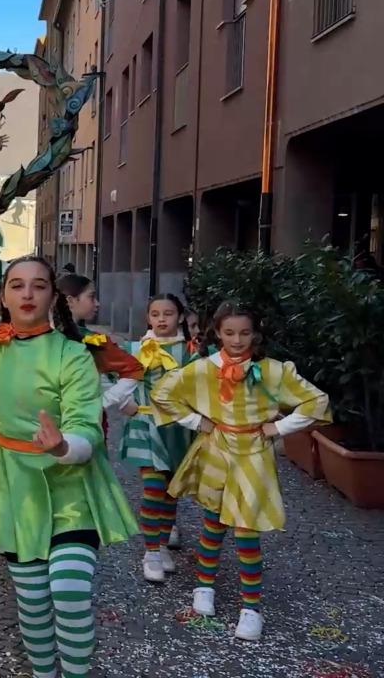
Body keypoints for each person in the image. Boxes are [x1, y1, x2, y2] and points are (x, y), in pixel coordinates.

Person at [0, 256, 138, 678]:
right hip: (14, 488)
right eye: (17, 285)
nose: (27, 294)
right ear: (3, 296)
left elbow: (87, 427)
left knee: (68, 591)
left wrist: (63, 445)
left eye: (39, 286)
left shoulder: (74, 354)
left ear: (52, 297)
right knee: (31, 603)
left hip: (71, 486)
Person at [151, 302, 330, 642]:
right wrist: (197, 421)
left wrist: (280, 428)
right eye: (229, 332)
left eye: (245, 333)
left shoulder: (273, 371)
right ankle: (204, 588)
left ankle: (251, 608)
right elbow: (163, 393)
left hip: (254, 456)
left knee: (247, 530)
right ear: (217, 332)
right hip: (216, 451)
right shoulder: (202, 369)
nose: (237, 340)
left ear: (255, 334)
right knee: (213, 524)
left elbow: (316, 401)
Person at [118, 294, 196, 582]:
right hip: (145, 423)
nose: (162, 319)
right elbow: (108, 374)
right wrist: (123, 402)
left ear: (180, 317)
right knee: (153, 487)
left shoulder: (190, 351)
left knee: (171, 490)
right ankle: (151, 551)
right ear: (148, 318)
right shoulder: (135, 348)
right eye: (155, 314)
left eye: (168, 313)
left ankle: (162, 542)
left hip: (179, 427)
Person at [58, 273, 146, 443]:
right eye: (91, 297)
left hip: (87, 423)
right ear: (70, 301)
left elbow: (133, 369)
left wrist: (105, 401)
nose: (97, 303)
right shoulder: (44, 338)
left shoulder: (93, 340)